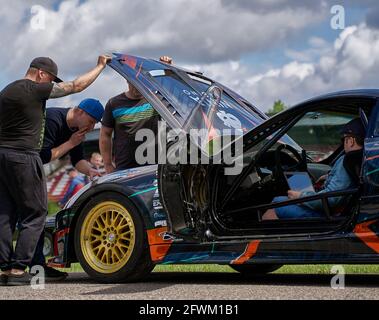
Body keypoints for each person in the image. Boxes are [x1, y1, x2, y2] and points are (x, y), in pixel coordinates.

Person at [0, 54, 111, 286]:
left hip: (4, 155)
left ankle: (4, 268)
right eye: (50, 79)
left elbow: (76, 160)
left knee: (6, 214)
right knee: (36, 213)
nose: (50, 83)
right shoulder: (33, 92)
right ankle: (19, 269)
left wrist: (91, 171)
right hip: (23, 156)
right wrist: (100, 66)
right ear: (41, 74)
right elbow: (75, 86)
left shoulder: (8, 91)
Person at [29, 98, 105, 281]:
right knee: (28, 216)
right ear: (80, 112)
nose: (92, 125)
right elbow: (43, 156)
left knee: (37, 214)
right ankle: (24, 267)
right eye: (92, 121)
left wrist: (91, 171)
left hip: (33, 170)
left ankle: (36, 266)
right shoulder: (53, 119)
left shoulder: (77, 130)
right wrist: (71, 142)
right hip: (23, 166)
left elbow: (77, 160)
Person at [262, 118, 365, 220]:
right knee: (279, 200)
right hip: (338, 210)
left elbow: (332, 199)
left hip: (332, 214)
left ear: (351, 141)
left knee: (275, 205)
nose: (344, 143)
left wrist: (300, 196)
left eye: (345, 139)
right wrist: (328, 177)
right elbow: (345, 183)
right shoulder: (363, 158)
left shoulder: (349, 159)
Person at [100, 56, 172, 174]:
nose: (138, 87)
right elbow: (105, 135)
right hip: (125, 169)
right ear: (127, 80)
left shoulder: (156, 99)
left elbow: (173, 89)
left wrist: (167, 68)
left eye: (142, 82)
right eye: (135, 83)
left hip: (155, 166)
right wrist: (107, 164)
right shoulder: (114, 103)